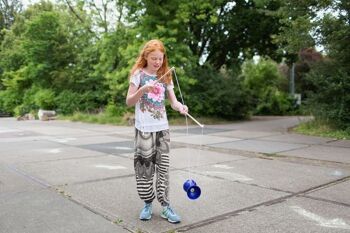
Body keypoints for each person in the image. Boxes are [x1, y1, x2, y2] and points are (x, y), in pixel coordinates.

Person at [126, 39, 188, 224]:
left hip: (162, 130)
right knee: (145, 171)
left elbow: (173, 101)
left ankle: (166, 206)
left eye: (160, 59)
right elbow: (129, 101)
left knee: (163, 170)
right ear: (146, 56)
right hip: (143, 130)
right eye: (154, 58)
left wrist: (180, 107)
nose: (157, 62)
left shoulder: (165, 75)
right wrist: (143, 89)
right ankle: (147, 203)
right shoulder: (138, 74)